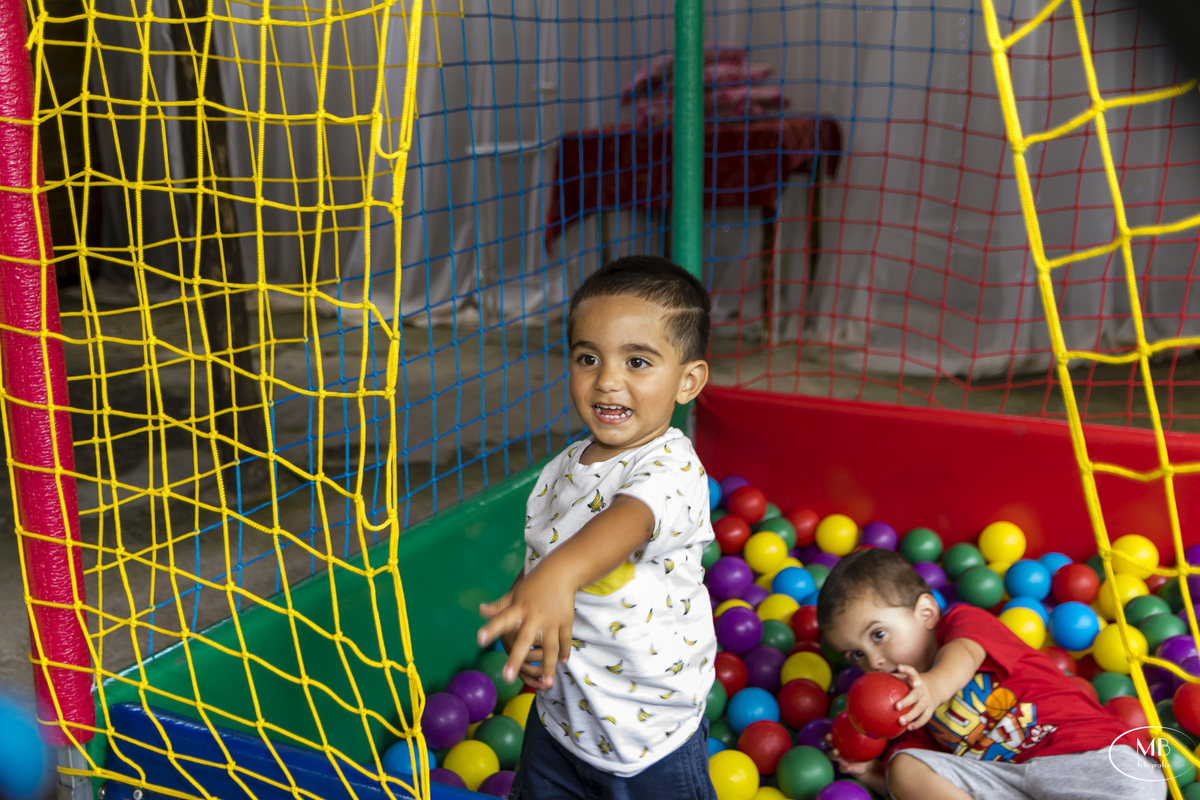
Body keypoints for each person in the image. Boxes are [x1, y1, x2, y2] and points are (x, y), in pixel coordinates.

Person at [476, 255, 719, 800]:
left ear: (687, 381)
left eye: (637, 362)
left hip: (650, 737)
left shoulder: (673, 466)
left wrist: (559, 576)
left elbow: (628, 521)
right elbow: (547, 550)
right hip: (562, 722)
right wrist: (524, 604)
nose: (607, 380)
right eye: (589, 358)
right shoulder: (563, 468)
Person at [817, 547, 1166, 800]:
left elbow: (966, 654)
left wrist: (934, 687)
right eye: (857, 654)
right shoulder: (908, 714)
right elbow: (926, 783)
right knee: (903, 766)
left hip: (1079, 755)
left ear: (925, 613)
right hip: (1007, 783)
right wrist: (872, 774)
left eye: (879, 635)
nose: (873, 661)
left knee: (1135, 780)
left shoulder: (962, 624)